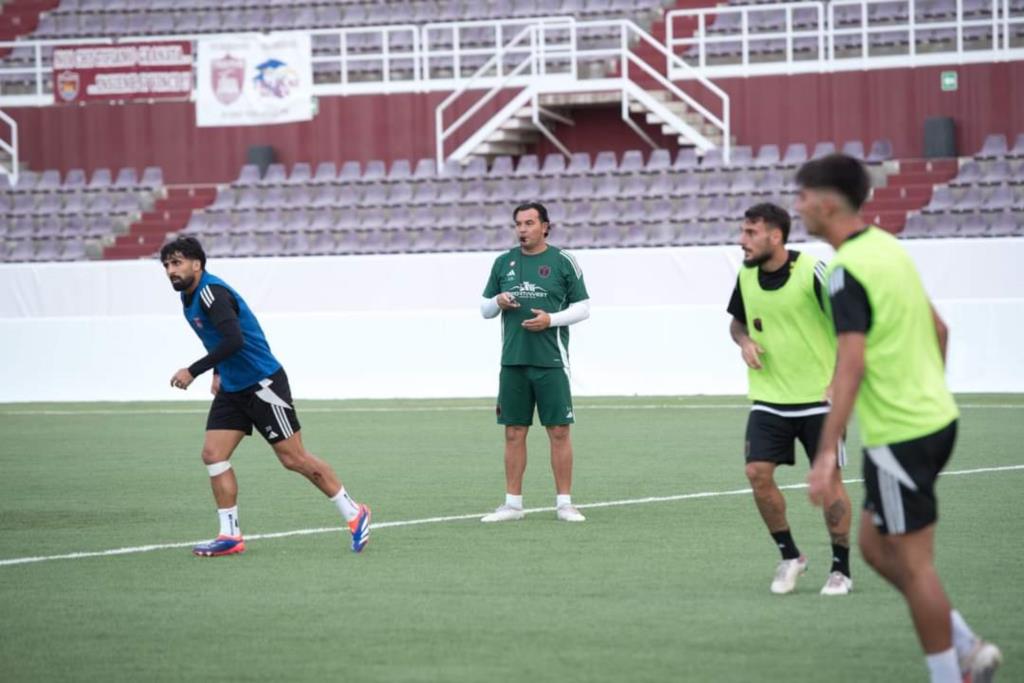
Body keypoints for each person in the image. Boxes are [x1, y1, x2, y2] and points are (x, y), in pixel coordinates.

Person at [800, 154, 1002, 682]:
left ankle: (951, 672)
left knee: (915, 566)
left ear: (825, 201)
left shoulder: (846, 271)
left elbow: (850, 364)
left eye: (801, 197)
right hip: (932, 421)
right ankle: (963, 642)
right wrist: (927, 390)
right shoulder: (889, 247)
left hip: (901, 434)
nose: (798, 206)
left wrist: (825, 455)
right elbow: (940, 330)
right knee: (871, 545)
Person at [160, 236, 371, 556]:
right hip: (233, 388)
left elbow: (234, 340)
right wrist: (219, 373)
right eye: (166, 265)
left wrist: (195, 370)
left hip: (263, 385)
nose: (170, 270)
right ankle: (230, 535)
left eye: (177, 263)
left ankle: (354, 513)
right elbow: (216, 338)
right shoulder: (188, 297)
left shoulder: (211, 294)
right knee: (213, 455)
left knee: (293, 459)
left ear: (197, 264)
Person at [727, 202, 853, 596]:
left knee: (830, 482)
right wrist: (744, 341)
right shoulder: (746, 276)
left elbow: (851, 326)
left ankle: (841, 568)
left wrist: (839, 381)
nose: (741, 240)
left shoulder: (814, 272)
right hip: (769, 398)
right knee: (756, 474)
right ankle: (790, 555)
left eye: (751, 233)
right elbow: (737, 322)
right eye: (742, 232)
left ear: (775, 236)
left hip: (820, 400)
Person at [479, 201, 591, 523]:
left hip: (551, 360)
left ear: (545, 226)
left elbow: (583, 307)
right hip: (513, 361)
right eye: (518, 224)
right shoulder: (503, 263)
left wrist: (551, 320)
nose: (523, 230)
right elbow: (485, 309)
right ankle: (512, 504)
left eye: (529, 223)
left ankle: (565, 503)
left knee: (558, 430)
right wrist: (498, 301)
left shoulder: (563, 261)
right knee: (514, 431)